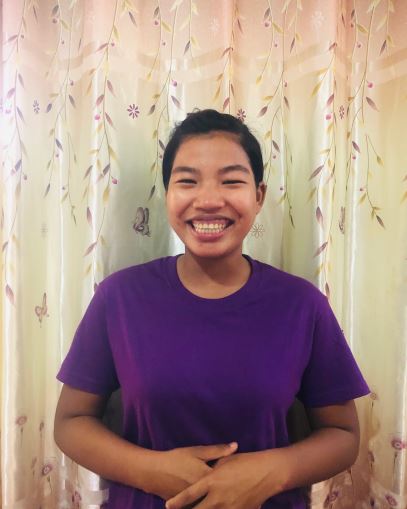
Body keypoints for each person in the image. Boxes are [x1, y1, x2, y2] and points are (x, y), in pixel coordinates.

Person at [54, 109, 370, 509]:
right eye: (187, 181)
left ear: (258, 196)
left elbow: (343, 435)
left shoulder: (302, 305)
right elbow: (70, 422)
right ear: (167, 194)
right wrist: (149, 470)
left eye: (231, 181)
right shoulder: (119, 297)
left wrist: (270, 472)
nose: (207, 200)